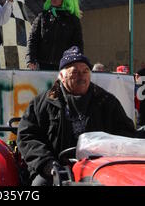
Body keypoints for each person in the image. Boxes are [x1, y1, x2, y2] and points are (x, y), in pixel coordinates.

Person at [17, 46, 137, 186]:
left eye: (85, 71)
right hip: (55, 169)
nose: (82, 75)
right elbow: (27, 136)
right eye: (75, 71)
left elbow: (126, 133)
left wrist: (109, 151)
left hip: (99, 169)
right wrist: (48, 164)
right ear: (61, 76)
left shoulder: (106, 101)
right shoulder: (42, 103)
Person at [26, 0, 83, 71]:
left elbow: (77, 45)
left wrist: (77, 64)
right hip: (41, 66)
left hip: (63, 67)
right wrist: (30, 60)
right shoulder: (42, 16)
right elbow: (32, 40)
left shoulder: (73, 20)